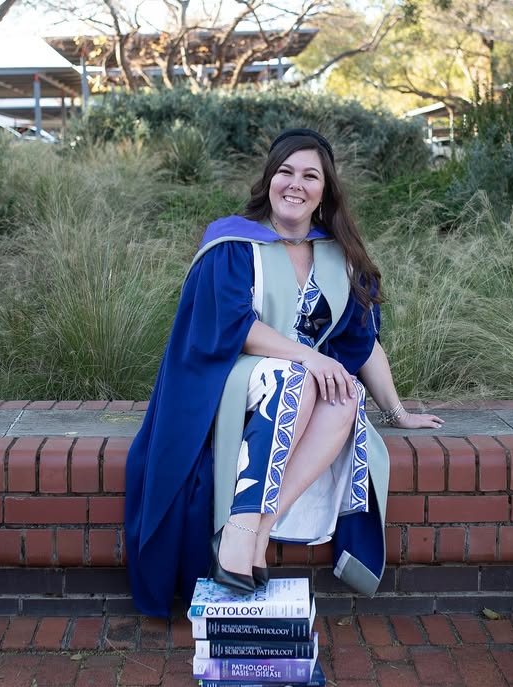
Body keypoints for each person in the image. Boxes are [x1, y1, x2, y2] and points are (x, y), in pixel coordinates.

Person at [124, 128, 441, 617]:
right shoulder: (233, 242)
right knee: (298, 375)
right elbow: (234, 328)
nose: (295, 184)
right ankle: (239, 534)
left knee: (345, 393)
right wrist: (310, 356)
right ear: (270, 179)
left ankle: (252, 531)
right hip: (229, 381)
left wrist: (398, 413)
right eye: (285, 172)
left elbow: (362, 343)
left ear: (325, 191)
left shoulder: (337, 256)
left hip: (304, 389)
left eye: (309, 175)